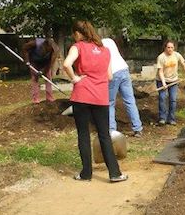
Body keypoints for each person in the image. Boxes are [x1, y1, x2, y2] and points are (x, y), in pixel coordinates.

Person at [63, 21, 128, 183]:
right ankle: (115, 173)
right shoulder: (105, 50)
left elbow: (66, 64)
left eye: (74, 34)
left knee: (83, 135)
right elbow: (110, 77)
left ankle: (86, 174)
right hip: (101, 97)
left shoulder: (77, 47)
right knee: (104, 135)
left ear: (78, 33)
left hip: (82, 96)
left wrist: (75, 78)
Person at [101, 36, 143, 137]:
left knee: (110, 102)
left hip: (113, 72)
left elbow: (104, 61)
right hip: (124, 69)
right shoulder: (110, 41)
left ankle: (111, 130)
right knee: (130, 100)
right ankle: (137, 128)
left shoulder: (98, 45)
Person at [155, 40, 185, 125]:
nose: (170, 49)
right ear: (165, 48)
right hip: (161, 80)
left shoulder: (177, 55)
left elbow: (183, 64)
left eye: (172, 47)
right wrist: (164, 83)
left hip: (174, 80)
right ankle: (162, 118)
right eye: (168, 47)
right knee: (163, 98)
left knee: (173, 99)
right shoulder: (161, 57)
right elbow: (160, 72)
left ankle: (171, 119)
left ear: (174, 48)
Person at [22, 35, 60, 103]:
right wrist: (27, 61)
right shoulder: (36, 43)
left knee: (48, 78)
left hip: (45, 62)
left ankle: (49, 97)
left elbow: (51, 63)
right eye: (48, 49)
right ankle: (35, 99)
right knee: (35, 79)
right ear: (45, 45)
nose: (49, 50)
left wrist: (45, 70)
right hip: (34, 62)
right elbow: (25, 48)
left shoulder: (54, 49)